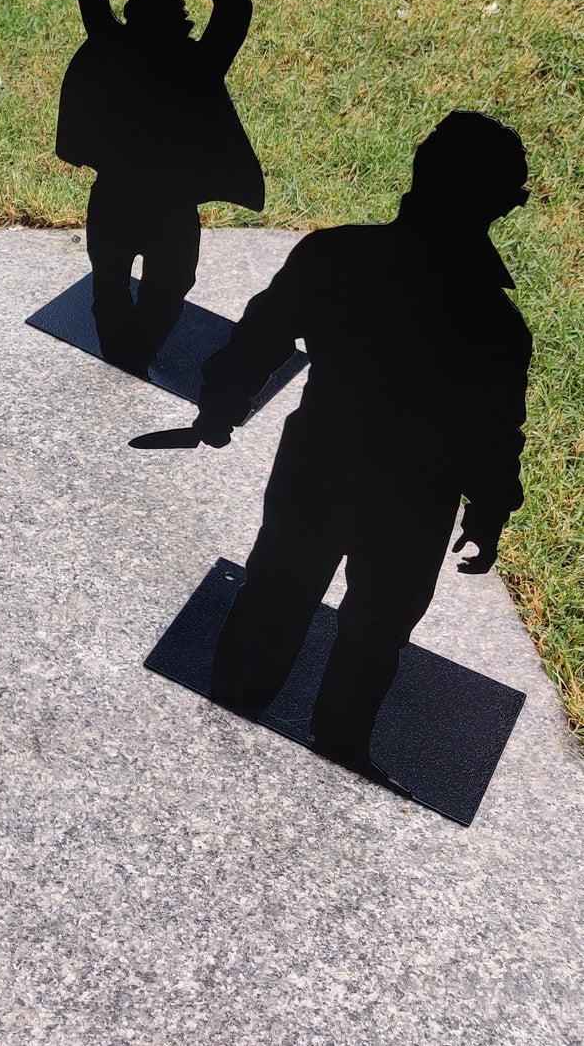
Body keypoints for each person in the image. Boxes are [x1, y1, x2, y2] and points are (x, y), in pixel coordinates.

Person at [188, 111, 531, 783]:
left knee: (276, 589)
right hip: (415, 496)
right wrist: (489, 507)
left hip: (318, 462)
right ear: (500, 205)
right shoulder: (495, 323)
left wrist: (222, 403)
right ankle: (340, 741)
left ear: (419, 173)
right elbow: (494, 432)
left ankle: (232, 700)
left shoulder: (334, 255)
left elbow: (261, 335)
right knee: (378, 628)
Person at [58, 0, 263, 372]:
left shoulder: (116, 50)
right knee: (146, 286)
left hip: (124, 195)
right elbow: (234, 6)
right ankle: (133, 351)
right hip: (167, 201)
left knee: (124, 283)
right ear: (181, 23)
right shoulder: (196, 62)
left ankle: (128, 351)